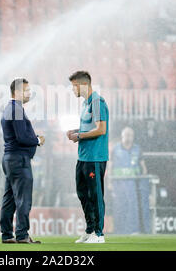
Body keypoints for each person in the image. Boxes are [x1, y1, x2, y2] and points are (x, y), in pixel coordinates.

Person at [0, 78, 45, 244]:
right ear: (16, 92)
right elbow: (22, 137)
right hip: (19, 159)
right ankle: (22, 234)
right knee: (23, 199)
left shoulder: (9, 108)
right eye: (26, 90)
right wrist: (37, 140)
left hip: (10, 159)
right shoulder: (16, 109)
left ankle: (6, 234)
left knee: (9, 198)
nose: (29, 93)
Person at [66, 71, 109, 244]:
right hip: (83, 157)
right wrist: (76, 131)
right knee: (83, 193)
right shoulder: (86, 104)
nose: (72, 90)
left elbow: (101, 130)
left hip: (95, 157)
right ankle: (90, 229)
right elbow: (89, 127)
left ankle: (99, 234)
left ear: (83, 85)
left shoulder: (97, 102)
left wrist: (80, 137)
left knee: (95, 194)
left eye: (74, 86)